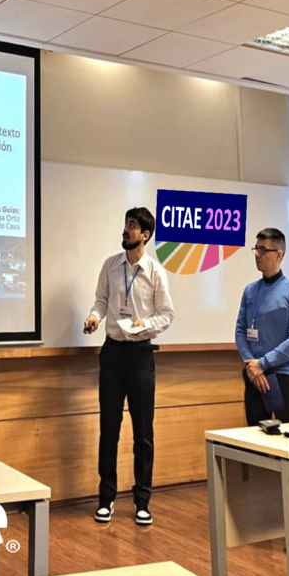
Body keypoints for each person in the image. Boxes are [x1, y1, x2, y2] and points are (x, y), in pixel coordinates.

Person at [83, 207, 175, 526]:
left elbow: (166, 314)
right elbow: (100, 301)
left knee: (143, 432)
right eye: (125, 224)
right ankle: (106, 498)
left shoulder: (155, 272)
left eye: (132, 225)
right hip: (112, 354)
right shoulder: (110, 265)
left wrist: (144, 323)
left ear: (145, 235)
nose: (125, 229)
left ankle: (142, 501)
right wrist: (94, 317)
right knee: (109, 429)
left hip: (140, 356)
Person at [234, 227, 289, 426]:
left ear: (279, 255)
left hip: (282, 376)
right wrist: (252, 365)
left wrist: (263, 364)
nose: (257, 255)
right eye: (256, 249)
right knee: (255, 436)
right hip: (254, 375)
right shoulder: (250, 291)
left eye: (263, 250)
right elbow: (240, 331)